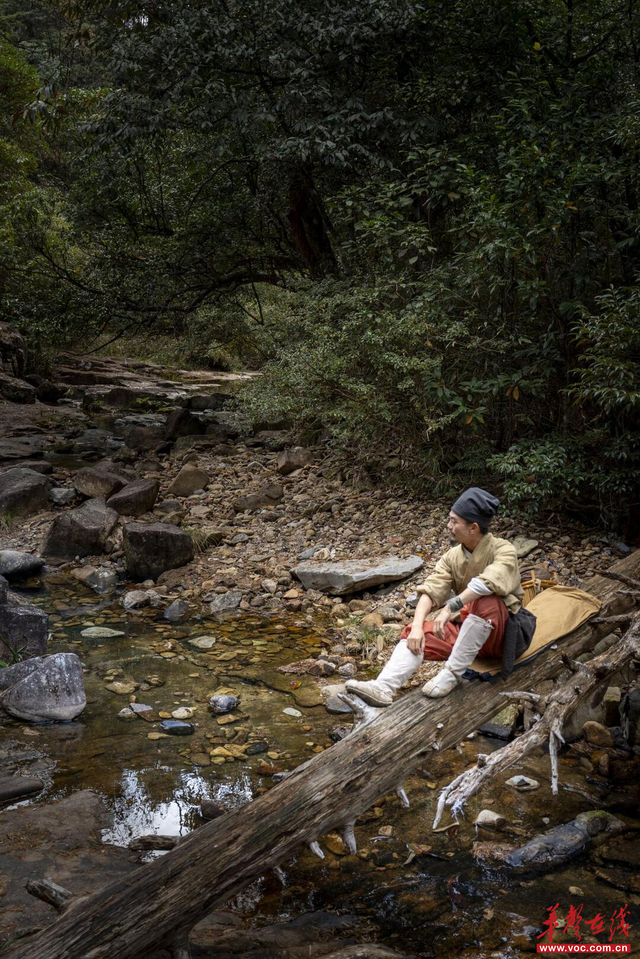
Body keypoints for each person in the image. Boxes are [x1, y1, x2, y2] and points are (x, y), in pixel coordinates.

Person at [345, 487, 535, 705]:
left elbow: (487, 583)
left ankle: (450, 675)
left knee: (486, 601)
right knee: (416, 633)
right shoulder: (452, 556)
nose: (449, 526)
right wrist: (417, 626)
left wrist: (449, 607)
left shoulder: (504, 550)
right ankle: (383, 687)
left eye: (454, 521)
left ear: (473, 527)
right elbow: (431, 589)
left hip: (503, 636)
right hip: (470, 630)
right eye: (449, 520)